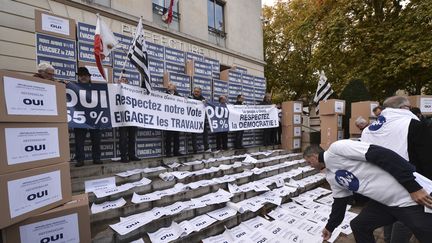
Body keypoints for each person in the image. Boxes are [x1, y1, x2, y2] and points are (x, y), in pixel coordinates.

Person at [303, 140, 432, 243]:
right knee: (359, 225)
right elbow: (339, 204)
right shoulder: (330, 176)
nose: (310, 166)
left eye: (309, 162)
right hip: (385, 203)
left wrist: (413, 187)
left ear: (314, 156)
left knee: (425, 233)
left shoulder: (336, 150)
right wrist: (330, 227)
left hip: (408, 196)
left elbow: (383, 155)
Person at [361, 96, 432, 243]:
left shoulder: (368, 130)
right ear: (404, 108)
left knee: (389, 212)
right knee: (405, 220)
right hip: (411, 186)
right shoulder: (413, 124)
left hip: (380, 184)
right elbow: (426, 159)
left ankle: (387, 239)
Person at [74, 67, 102, 167]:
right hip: (79, 118)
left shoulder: (96, 88)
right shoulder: (73, 87)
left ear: (89, 76)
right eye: (81, 75)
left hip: (94, 118)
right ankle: (80, 160)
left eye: (85, 75)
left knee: (96, 140)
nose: (83, 77)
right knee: (79, 141)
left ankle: (97, 158)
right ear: (78, 77)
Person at [118, 77, 140, 163]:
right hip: (122, 119)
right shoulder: (116, 89)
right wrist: (117, 86)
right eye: (122, 79)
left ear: (127, 81)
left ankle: (132, 155)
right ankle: (123, 156)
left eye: (125, 79)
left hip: (132, 118)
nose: (123, 80)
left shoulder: (132, 91)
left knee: (132, 138)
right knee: (123, 138)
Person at [189, 87, 210, 153]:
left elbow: (207, 108)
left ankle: (206, 148)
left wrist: (206, 103)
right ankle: (195, 150)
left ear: (200, 92)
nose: (196, 93)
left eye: (197, 92)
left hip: (201, 120)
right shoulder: (190, 98)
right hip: (193, 120)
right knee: (194, 135)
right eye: (195, 91)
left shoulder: (203, 99)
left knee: (205, 134)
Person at [164, 82, 182, 157]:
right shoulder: (164, 95)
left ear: (174, 87)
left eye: (170, 85)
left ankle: (176, 151)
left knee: (176, 137)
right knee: (168, 137)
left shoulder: (179, 96)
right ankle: (168, 152)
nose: (168, 86)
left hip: (176, 120)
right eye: (168, 85)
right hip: (168, 119)